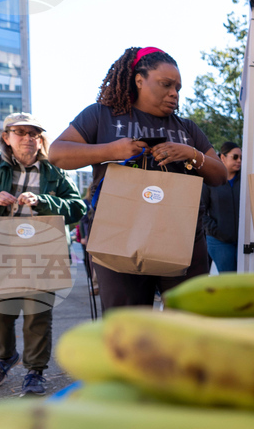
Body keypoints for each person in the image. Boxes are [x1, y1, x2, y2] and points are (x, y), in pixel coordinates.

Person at [48, 47, 227, 310]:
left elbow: (220, 175)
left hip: (182, 234)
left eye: (178, 87)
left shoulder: (187, 128)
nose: (174, 93)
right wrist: (112, 150)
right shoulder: (102, 114)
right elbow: (57, 153)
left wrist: (191, 153)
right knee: (128, 325)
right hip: (119, 233)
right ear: (139, 80)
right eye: (166, 84)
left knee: (189, 321)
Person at [0, 113, 86, 396]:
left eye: (33, 133)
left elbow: (77, 207)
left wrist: (44, 201)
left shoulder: (54, 171)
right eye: (20, 132)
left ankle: (35, 370)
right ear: (6, 138)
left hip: (42, 245)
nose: (27, 138)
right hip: (0, 242)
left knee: (38, 312)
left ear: (40, 139)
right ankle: (4, 357)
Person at [201, 141, 242, 273]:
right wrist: (216, 230)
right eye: (235, 157)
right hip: (218, 240)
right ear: (222, 157)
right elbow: (200, 210)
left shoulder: (244, 181)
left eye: (241, 157)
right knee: (229, 279)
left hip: (242, 240)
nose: (239, 161)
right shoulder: (210, 180)